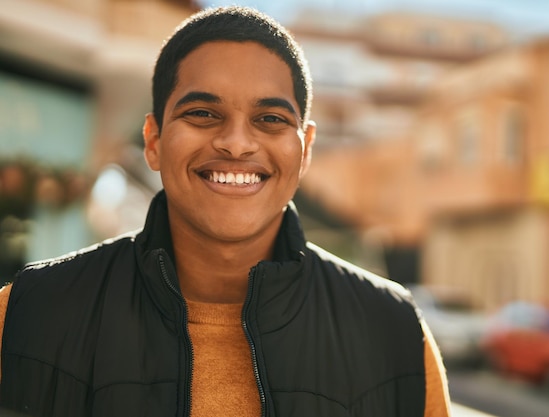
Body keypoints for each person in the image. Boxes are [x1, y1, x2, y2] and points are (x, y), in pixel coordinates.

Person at [0, 6, 450, 417]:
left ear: (306, 149)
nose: (236, 143)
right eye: (202, 113)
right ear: (154, 141)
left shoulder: (394, 332)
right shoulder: (24, 316)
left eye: (271, 119)